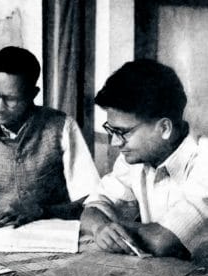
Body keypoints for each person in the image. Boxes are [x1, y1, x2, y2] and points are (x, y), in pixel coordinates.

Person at [0, 46, 100, 227]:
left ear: (33, 94)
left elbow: (89, 203)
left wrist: (42, 211)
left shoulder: (62, 126)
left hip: (56, 232)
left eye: (11, 99)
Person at [81, 59, 208, 260]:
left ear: (164, 128)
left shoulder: (204, 160)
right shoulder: (135, 158)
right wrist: (101, 227)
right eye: (112, 130)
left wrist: (114, 228)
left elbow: (164, 241)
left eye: (123, 132)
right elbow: (93, 208)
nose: (115, 142)